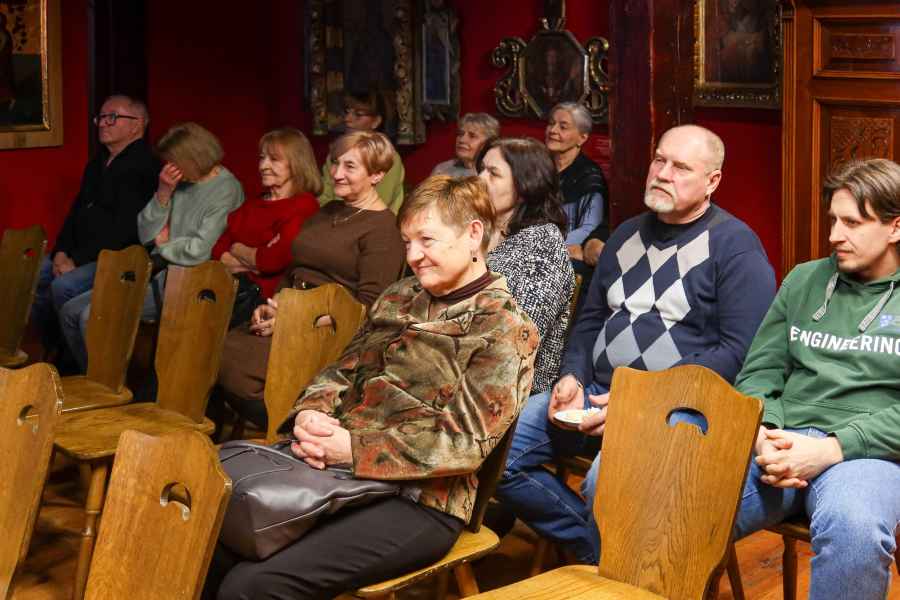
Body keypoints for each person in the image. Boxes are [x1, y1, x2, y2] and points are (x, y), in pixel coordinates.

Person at [202, 175, 540, 600]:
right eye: (407, 242)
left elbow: (462, 445)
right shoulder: (402, 294)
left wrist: (352, 449)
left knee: (252, 586)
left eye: (427, 240)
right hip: (336, 471)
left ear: (473, 234)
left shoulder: (504, 329)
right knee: (213, 539)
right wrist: (312, 413)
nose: (413, 256)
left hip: (421, 500)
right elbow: (343, 370)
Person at [494, 124, 776, 564]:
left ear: (712, 181)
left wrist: (640, 398)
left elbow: (739, 351)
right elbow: (588, 321)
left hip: (677, 406)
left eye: (681, 167)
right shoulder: (625, 235)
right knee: (496, 456)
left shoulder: (736, 247)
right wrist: (572, 376)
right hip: (593, 395)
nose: (663, 173)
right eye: (659, 160)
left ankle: (613, 563)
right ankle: (600, 555)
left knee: (607, 484)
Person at [732, 158, 900, 600]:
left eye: (852, 223)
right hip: (781, 439)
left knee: (854, 530)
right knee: (680, 495)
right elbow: (761, 371)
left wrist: (830, 449)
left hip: (869, 452)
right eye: (833, 220)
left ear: (895, 227)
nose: (834, 236)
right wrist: (761, 432)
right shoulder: (805, 279)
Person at [215, 131, 405, 430]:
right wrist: (273, 305)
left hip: (327, 333)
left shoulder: (384, 230)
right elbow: (295, 267)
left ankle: (296, 430)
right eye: (335, 163)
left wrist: (297, 320)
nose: (336, 174)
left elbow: (368, 308)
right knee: (211, 349)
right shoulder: (327, 211)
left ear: (377, 175)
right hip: (288, 314)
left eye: (350, 166)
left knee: (234, 367)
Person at [58, 121, 244, 371]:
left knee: (88, 317)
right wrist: (163, 193)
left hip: (184, 280)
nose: (170, 168)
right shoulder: (179, 182)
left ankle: (105, 384)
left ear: (194, 157)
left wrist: (165, 244)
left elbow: (199, 250)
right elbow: (145, 233)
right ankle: (93, 379)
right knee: (70, 311)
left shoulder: (226, 190)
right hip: (153, 269)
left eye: (175, 161)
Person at [31, 95, 159, 350]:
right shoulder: (96, 163)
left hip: (118, 258)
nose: (102, 123)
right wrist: (61, 252)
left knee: (64, 286)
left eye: (112, 117)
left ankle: (74, 360)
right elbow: (75, 213)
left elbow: (125, 231)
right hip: (79, 253)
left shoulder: (145, 167)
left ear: (137, 125)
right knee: (34, 274)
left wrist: (76, 261)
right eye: (100, 117)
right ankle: (53, 350)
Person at [477, 137, 575, 395]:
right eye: (482, 169)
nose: (480, 179)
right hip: (464, 366)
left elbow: (520, 339)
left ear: (525, 186)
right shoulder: (479, 229)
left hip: (514, 390)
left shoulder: (543, 244)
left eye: (493, 173)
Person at [211, 128, 321, 309]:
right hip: (228, 293)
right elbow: (217, 250)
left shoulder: (304, 205)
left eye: (274, 159)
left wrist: (236, 248)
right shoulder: (253, 204)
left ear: (297, 164)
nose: (263, 166)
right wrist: (254, 261)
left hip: (267, 303)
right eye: (262, 158)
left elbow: (271, 261)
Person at [318, 91, 405, 214]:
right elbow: (323, 197)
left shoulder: (388, 158)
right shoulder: (336, 153)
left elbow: (378, 205)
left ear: (376, 121)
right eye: (347, 112)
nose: (347, 119)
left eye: (358, 115)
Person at [545, 102, 608, 261]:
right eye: (551, 123)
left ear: (582, 138)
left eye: (563, 127)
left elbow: (589, 229)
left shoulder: (589, 176)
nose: (553, 130)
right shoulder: (537, 166)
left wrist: (543, 247)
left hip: (565, 254)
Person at [431, 112, 499, 178]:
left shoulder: (494, 174)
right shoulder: (441, 170)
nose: (462, 140)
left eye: (472, 136)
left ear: (488, 143)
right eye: (460, 134)